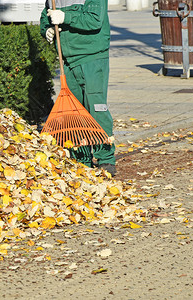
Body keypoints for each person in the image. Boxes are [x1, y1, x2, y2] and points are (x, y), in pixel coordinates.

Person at [40, 0, 116, 176]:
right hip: (68, 59)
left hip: (92, 57)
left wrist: (66, 17)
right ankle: (81, 159)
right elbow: (46, 15)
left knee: (96, 107)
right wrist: (47, 29)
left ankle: (105, 159)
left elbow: (95, 19)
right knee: (74, 112)